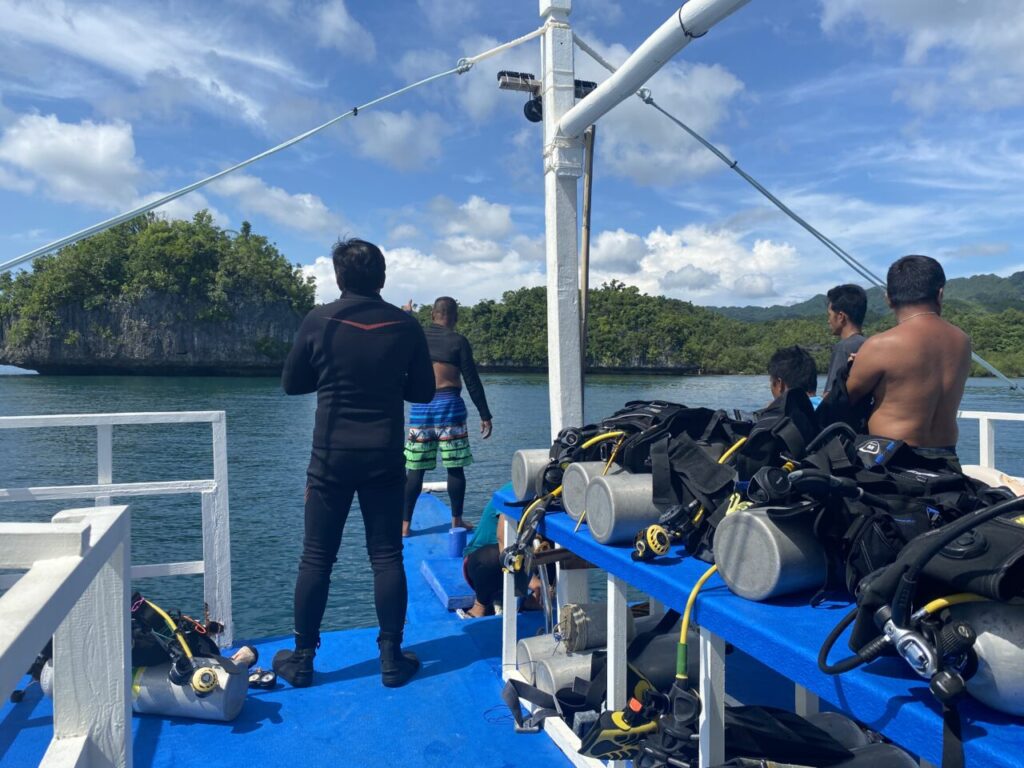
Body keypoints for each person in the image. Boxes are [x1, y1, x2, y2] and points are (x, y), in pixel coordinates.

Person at [274, 238, 435, 689]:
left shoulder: (319, 320)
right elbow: (422, 391)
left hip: (330, 458)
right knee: (386, 556)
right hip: (384, 456)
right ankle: (391, 658)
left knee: (316, 558)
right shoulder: (404, 326)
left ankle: (302, 659)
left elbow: (292, 384)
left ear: (338, 277)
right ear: (381, 277)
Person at [846, 255, 971, 453]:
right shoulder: (963, 341)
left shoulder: (880, 345)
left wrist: (854, 367)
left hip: (891, 463)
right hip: (946, 458)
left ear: (888, 298)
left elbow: (844, 400)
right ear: (940, 294)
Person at [403, 297, 493, 536]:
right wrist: (485, 414)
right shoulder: (458, 341)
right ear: (455, 318)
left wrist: (408, 314)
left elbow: (404, 330)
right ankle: (456, 522)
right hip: (449, 407)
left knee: (415, 469)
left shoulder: (418, 337)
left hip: (422, 407)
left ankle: (404, 526)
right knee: (455, 467)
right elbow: (472, 381)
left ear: (433, 315)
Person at [459, 501, 544, 618]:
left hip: (520, 560)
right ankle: (480, 605)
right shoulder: (514, 492)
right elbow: (503, 541)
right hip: (484, 565)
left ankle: (533, 600)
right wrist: (532, 581)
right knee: (492, 557)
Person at [823, 284, 867, 397]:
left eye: (830, 315)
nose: (828, 321)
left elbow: (830, 395)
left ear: (841, 316)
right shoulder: (868, 344)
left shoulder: (843, 348)